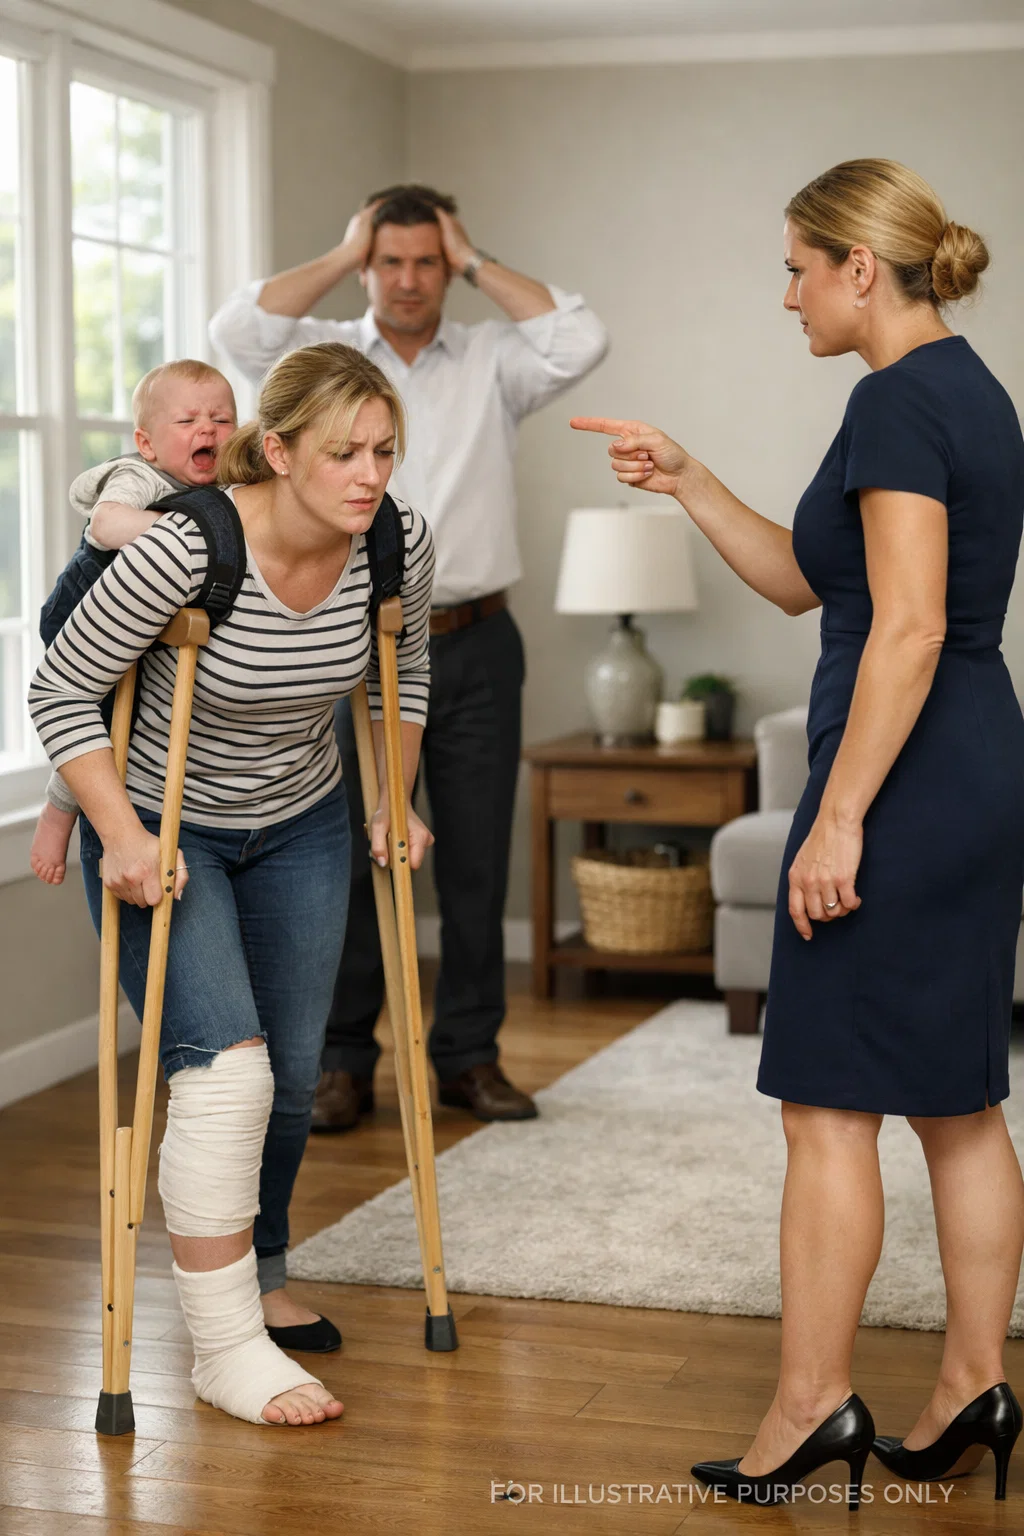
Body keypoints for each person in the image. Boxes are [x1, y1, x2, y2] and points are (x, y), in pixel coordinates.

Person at [574, 159, 1024, 1506]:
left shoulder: (893, 401)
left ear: (857, 268)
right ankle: (973, 1387)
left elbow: (907, 629)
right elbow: (806, 583)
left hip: (905, 781)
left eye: (795, 269)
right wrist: (689, 478)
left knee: (829, 1108)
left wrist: (835, 820)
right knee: (960, 1106)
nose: (788, 298)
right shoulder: (969, 391)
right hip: (972, 763)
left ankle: (810, 1408)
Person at [28, 342, 435, 1426]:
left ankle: (262, 1273)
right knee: (227, 1076)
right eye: (344, 453)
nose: (369, 476)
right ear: (280, 450)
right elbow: (60, 688)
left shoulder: (392, 541)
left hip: (302, 821)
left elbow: (406, 672)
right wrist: (118, 833)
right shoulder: (183, 547)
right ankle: (223, 1348)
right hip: (163, 826)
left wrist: (393, 797)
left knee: (294, 1079)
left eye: (385, 451)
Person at [209, 184, 608, 1128]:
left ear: (447, 266)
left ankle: (469, 1057)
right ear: (367, 264)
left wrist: (475, 259)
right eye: (390, 260)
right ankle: (343, 1061)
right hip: (348, 649)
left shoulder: (493, 360)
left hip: (477, 643)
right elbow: (235, 330)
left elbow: (581, 338)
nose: (409, 279)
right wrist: (341, 253)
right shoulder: (328, 357)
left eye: (428, 261)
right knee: (348, 853)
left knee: (475, 861)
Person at [30, 359, 238, 886]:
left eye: (222, 419)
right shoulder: (137, 476)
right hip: (82, 611)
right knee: (95, 726)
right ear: (146, 443)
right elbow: (106, 525)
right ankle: (58, 812)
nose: (208, 429)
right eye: (187, 421)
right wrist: (191, 535)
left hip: (150, 627)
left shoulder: (224, 486)